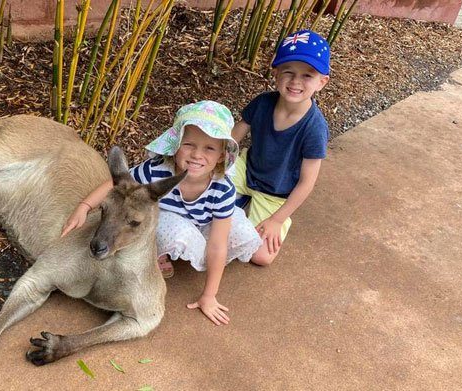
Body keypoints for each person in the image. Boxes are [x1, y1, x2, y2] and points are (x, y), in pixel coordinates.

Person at [61, 101, 262, 326]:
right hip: (171, 219)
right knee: (165, 227)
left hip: (205, 221)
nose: (196, 155)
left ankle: (196, 250)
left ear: (222, 156)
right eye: (188, 144)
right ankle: (160, 252)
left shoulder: (222, 188)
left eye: (209, 148)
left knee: (242, 235)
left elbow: (218, 242)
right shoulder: (156, 171)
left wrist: (209, 295)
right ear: (175, 145)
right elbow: (115, 184)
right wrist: (84, 206)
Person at [230, 29, 331, 266]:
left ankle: (251, 207)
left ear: (322, 82)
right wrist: (216, 164)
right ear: (275, 73)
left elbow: (307, 182)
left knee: (261, 256)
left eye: (307, 75)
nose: (296, 82)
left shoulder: (314, 128)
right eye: (288, 72)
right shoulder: (263, 102)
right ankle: (242, 199)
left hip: (276, 192)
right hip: (247, 169)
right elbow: (235, 136)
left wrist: (277, 219)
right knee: (201, 190)